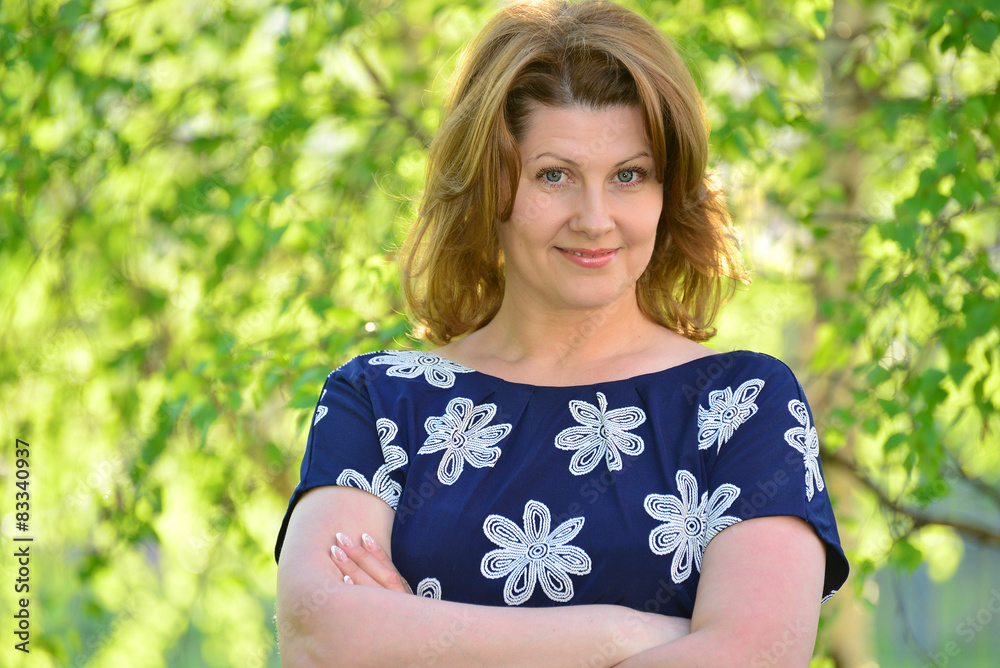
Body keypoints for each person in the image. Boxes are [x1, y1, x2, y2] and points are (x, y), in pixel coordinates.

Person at [274, 1, 849, 665]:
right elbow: (320, 639)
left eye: (629, 176)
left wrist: (413, 637)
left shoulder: (744, 406)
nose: (596, 218)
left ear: (669, 190)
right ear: (492, 186)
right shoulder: (377, 404)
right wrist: (624, 637)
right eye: (556, 175)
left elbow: (752, 659)